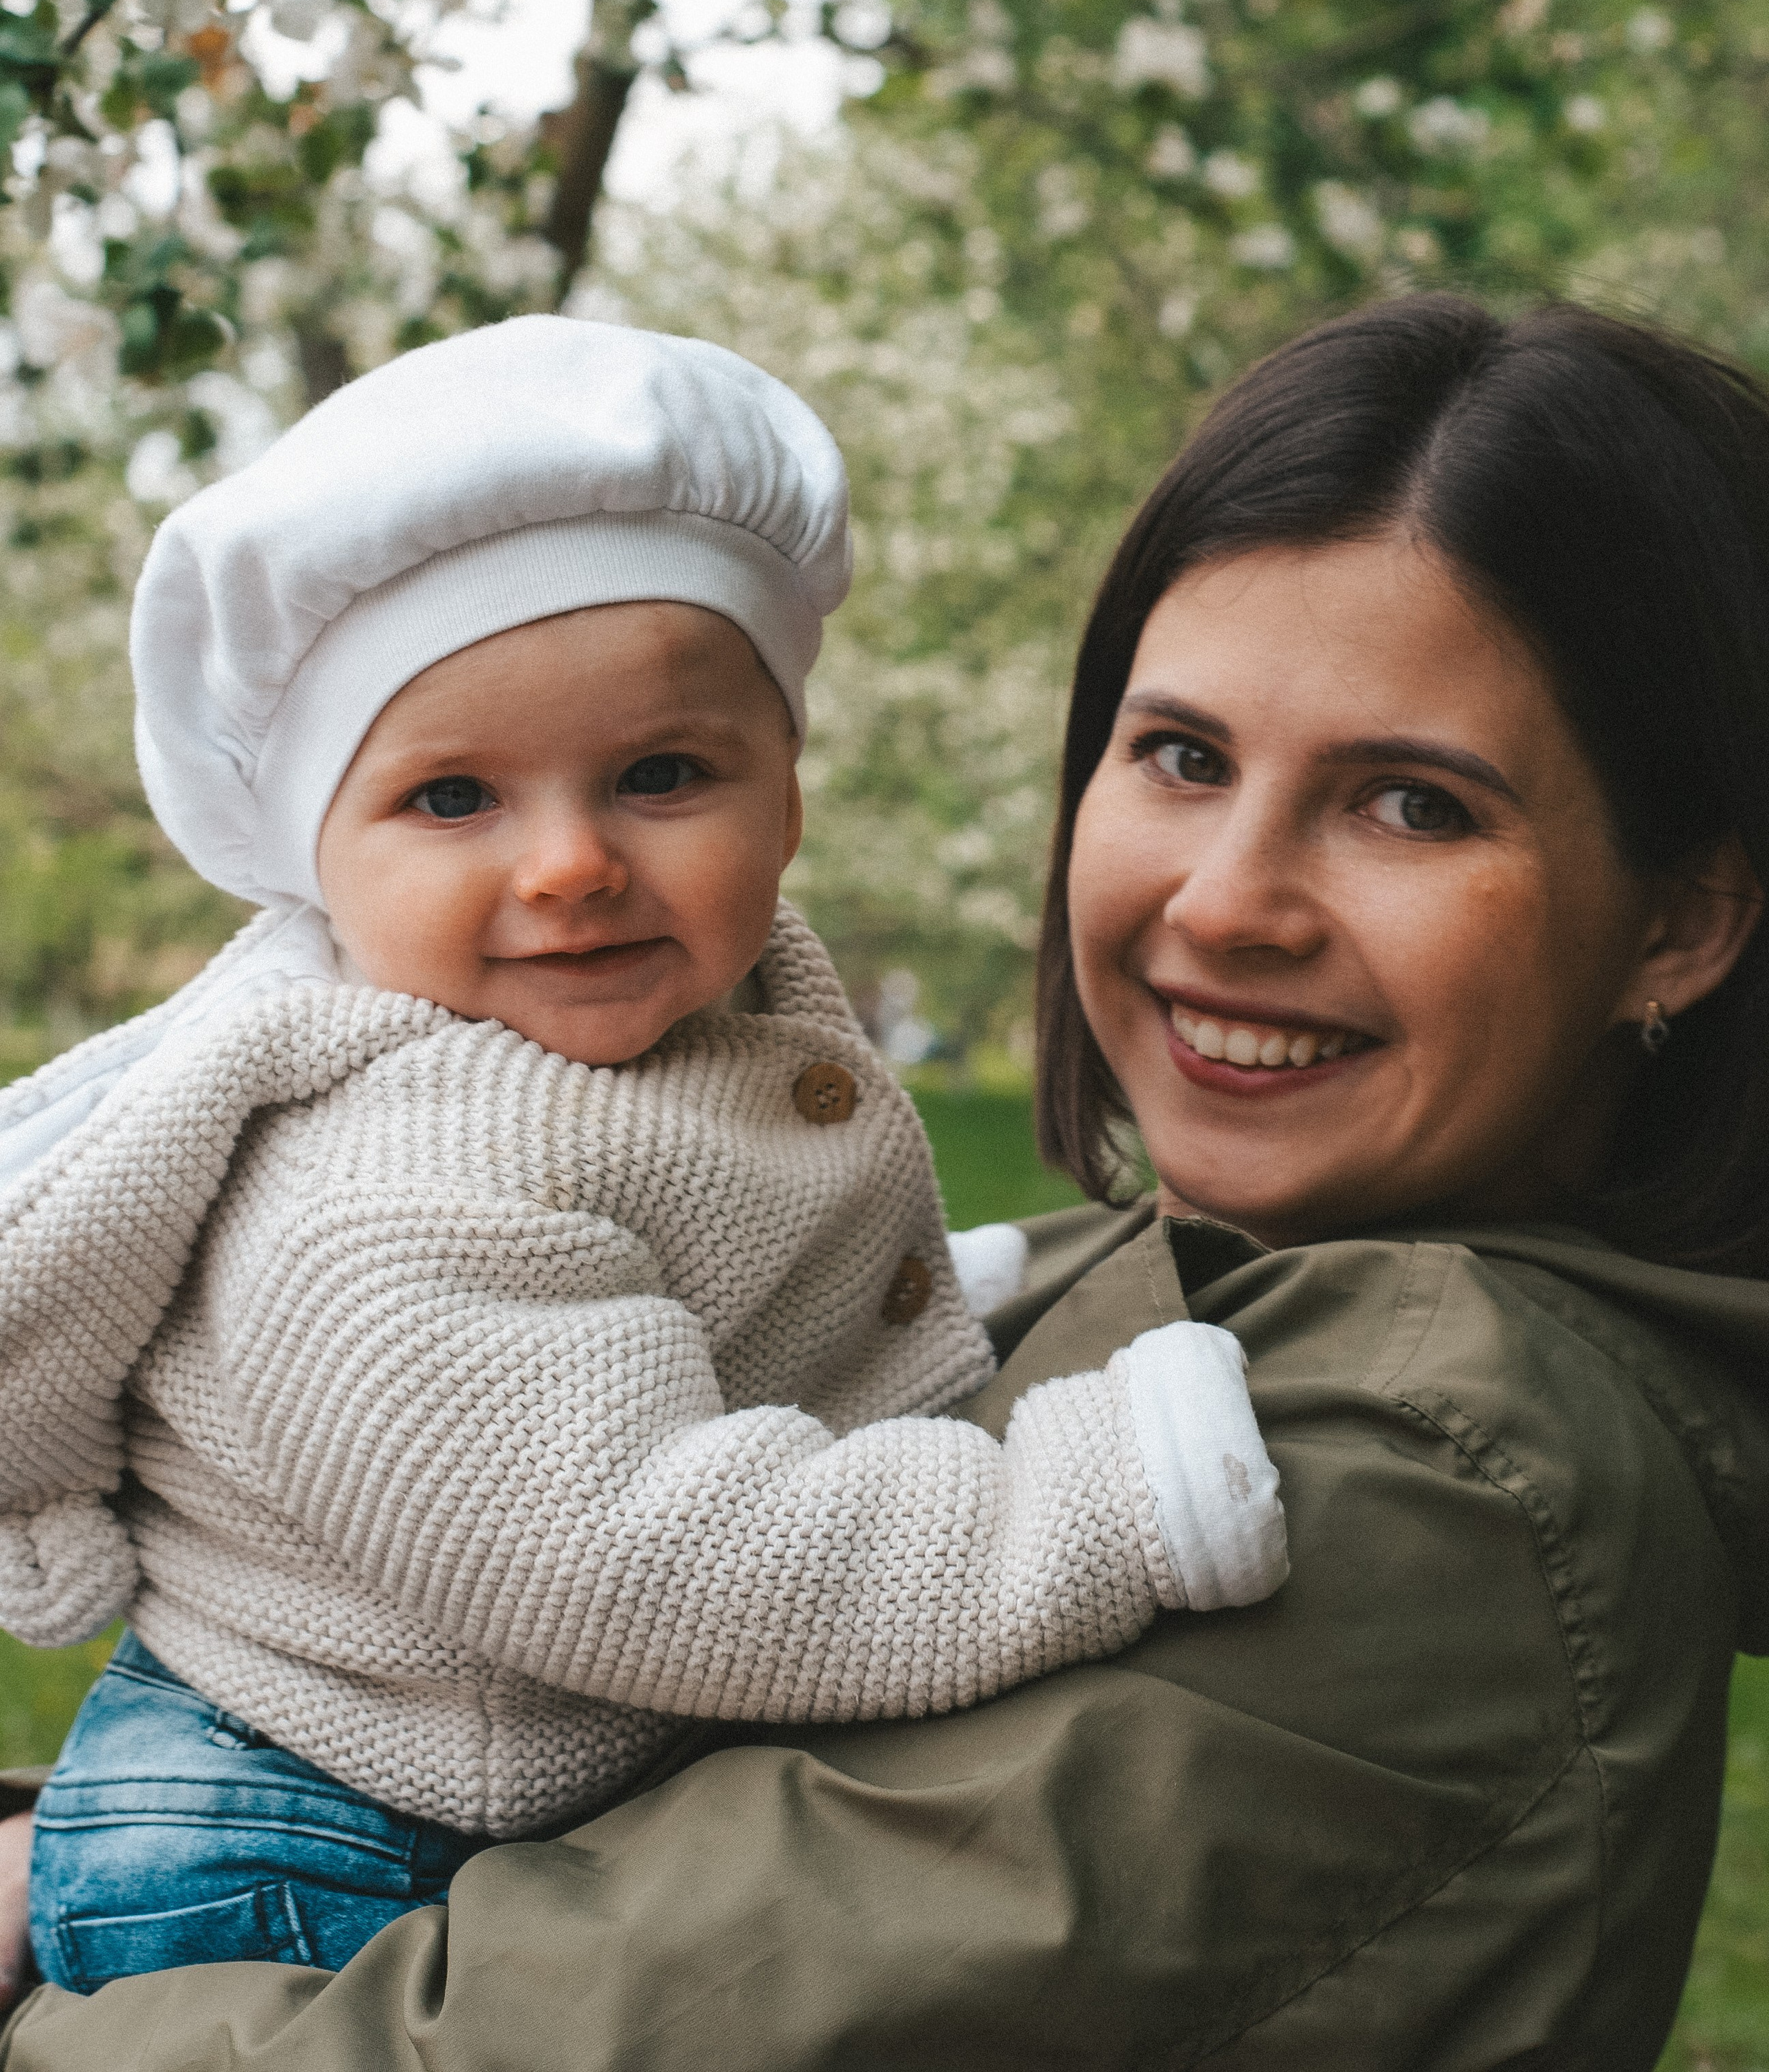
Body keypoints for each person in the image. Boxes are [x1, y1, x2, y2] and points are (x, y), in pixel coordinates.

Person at [4, 290, 1769, 2072]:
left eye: (1412, 805)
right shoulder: (1231, 1274)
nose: (1228, 901)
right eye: (1178, 756)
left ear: (1678, 919)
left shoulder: (1440, 1473)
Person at [0, 317, 1284, 1997]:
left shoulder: (650, 1027)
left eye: (661, 774)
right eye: (453, 798)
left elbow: (676, 1237)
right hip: (312, 1841)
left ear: (788, 794)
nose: (572, 864)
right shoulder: (382, 1197)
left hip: (434, 1750)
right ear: (314, 852)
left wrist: (836, 1331)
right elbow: (651, 1556)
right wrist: (1095, 1505)